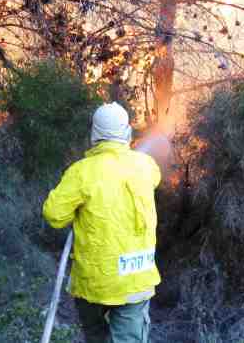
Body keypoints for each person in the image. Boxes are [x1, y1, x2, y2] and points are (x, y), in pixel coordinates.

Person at [43, 102, 161, 343]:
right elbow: (155, 178)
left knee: (96, 338)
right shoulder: (146, 165)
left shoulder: (81, 172)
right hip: (135, 281)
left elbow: (54, 215)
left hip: (94, 285)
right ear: (127, 133)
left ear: (94, 134)